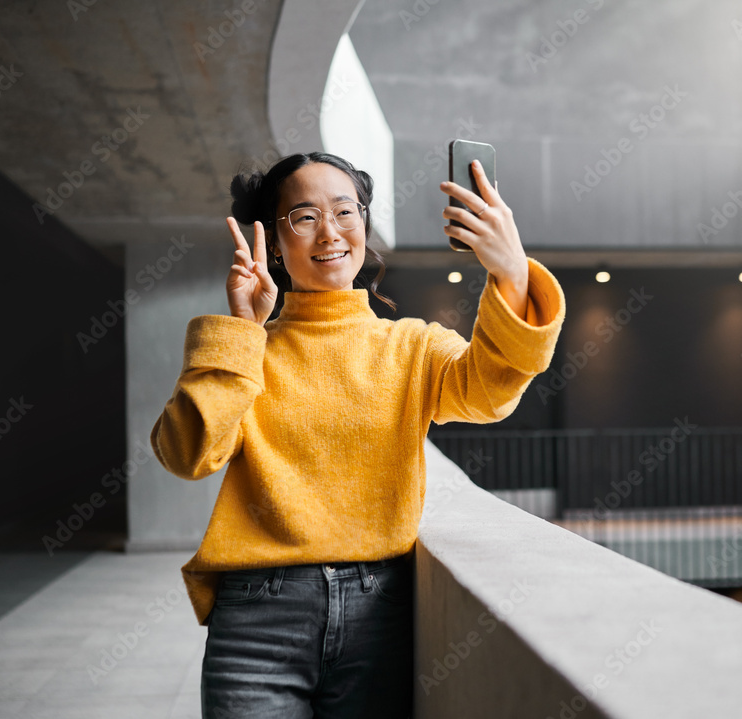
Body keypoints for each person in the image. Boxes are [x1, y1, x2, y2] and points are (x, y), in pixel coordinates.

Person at [150, 151, 565, 718]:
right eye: (304, 217)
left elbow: (489, 393)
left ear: (363, 225)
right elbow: (186, 454)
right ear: (275, 241)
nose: (330, 233)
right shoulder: (248, 351)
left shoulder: (411, 346)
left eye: (345, 211)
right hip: (257, 620)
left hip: (380, 614)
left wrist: (512, 272)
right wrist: (244, 331)